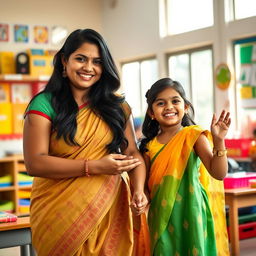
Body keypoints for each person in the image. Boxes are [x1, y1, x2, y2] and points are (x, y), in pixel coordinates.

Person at [23, 28, 148, 256]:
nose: (88, 68)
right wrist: (95, 166)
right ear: (64, 60)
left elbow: (132, 152)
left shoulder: (117, 107)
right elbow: (34, 163)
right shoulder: (44, 104)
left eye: (97, 62)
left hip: (108, 209)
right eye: (81, 58)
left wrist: (139, 190)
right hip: (57, 213)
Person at [139, 78, 231, 256]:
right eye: (160, 103)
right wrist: (140, 198)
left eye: (175, 101)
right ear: (151, 112)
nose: (169, 107)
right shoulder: (149, 146)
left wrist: (219, 141)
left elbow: (218, 173)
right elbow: (146, 189)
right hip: (161, 214)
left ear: (186, 107)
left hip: (192, 211)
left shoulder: (193, 136)